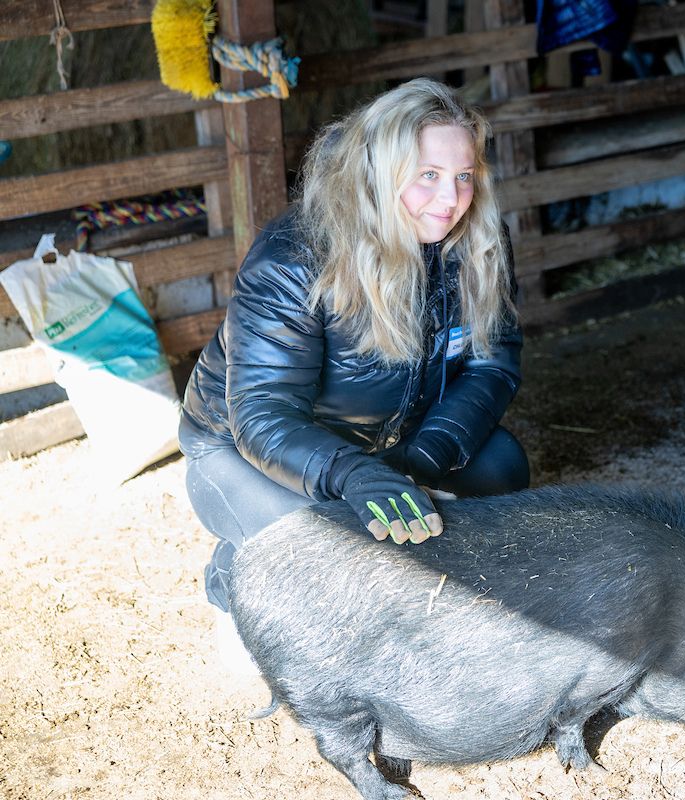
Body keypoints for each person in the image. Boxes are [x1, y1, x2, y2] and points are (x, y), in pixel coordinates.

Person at [178, 78, 529, 632]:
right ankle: (231, 579)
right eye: (428, 176)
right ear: (379, 173)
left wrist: (416, 463)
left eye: (464, 176)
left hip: (391, 438)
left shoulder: (478, 241)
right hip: (248, 452)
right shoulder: (294, 259)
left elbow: (493, 362)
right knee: (337, 552)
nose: (450, 199)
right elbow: (263, 413)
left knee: (502, 468)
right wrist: (356, 477)